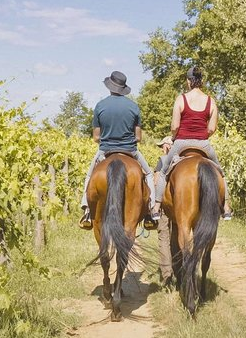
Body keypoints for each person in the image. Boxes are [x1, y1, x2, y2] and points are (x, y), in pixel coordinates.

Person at [151, 65, 232, 220]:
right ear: (201, 81)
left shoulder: (181, 99)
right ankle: (226, 206)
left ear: (189, 81)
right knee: (220, 172)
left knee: (163, 172)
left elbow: (174, 126)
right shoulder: (210, 101)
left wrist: (175, 137)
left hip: (181, 142)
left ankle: (156, 206)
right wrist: (202, 134)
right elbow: (212, 128)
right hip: (203, 144)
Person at [79, 70, 155, 229]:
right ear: (123, 88)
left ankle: (86, 211)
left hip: (105, 150)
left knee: (89, 175)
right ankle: (150, 212)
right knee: (148, 175)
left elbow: (96, 137)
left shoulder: (100, 105)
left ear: (110, 86)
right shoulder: (133, 107)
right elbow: (139, 137)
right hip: (130, 150)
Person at [154, 136, 174, 288]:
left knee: (164, 237)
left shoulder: (162, 160)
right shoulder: (182, 159)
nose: (162, 148)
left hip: (164, 206)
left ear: (168, 146)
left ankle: (167, 273)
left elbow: (155, 181)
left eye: (163, 145)